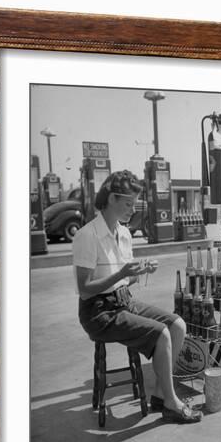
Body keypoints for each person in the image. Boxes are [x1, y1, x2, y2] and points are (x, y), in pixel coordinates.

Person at [72, 170, 202, 424]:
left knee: (177, 325)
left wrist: (139, 271)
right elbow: (85, 289)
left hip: (123, 301)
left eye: (134, 204)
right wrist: (121, 272)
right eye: (128, 204)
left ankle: (160, 394)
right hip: (98, 312)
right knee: (161, 333)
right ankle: (172, 403)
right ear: (111, 200)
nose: (133, 210)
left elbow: (124, 279)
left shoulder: (124, 233)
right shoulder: (87, 235)